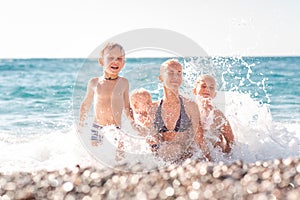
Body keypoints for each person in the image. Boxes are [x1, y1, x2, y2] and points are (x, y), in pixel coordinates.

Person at [148, 59, 211, 163]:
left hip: (187, 158)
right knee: (170, 149)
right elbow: (152, 141)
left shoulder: (190, 106)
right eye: (170, 73)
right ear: (161, 78)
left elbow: (199, 139)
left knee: (175, 148)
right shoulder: (154, 108)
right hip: (165, 158)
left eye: (179, 73)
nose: (175, 77)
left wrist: (210, 161)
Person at [79, 42, 133, 160]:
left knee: (119, 157)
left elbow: (127, 106)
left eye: (119, 58)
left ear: (123, 63)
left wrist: (133, 123)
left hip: (116, 128)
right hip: (97, 127)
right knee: (95, 156)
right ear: (101, 61)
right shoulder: (94, 82)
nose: (115, 61)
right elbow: (86, 104)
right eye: (110, 58)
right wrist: (81, 123)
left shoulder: (123, 83)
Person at [193, 74, 234, 154]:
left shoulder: (218, 115)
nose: (207, 89)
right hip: (197, 153)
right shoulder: (190, 111)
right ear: (194, 91)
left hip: (216, 154)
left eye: (211, 87)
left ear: (214, 94)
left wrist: (227, 157)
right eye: (203, 86)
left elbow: (231, 140)